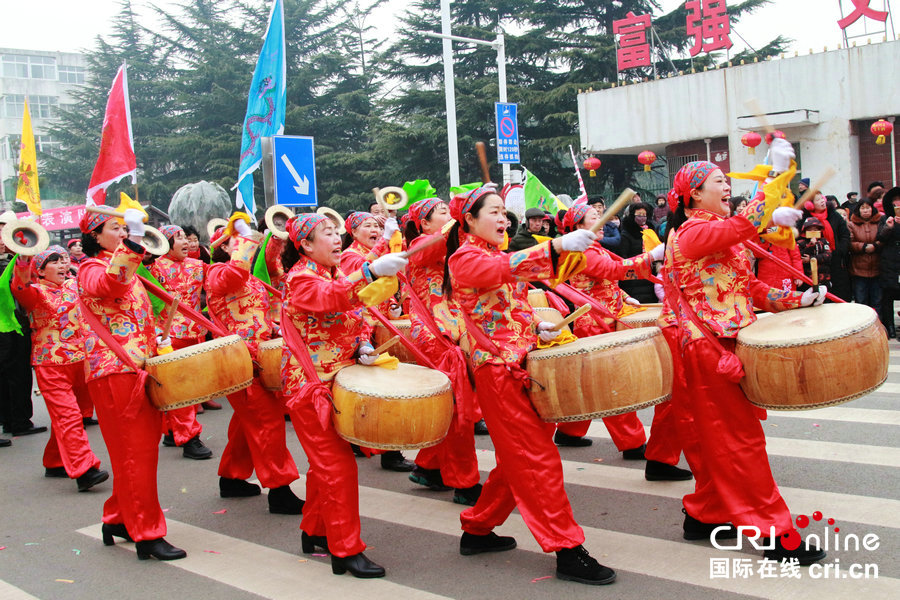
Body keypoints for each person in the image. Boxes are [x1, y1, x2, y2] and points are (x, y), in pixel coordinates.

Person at [446, 186, 617, 585]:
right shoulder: (464, 258)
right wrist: (556, 245)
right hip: (497, 373)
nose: (504, 219)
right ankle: (567, 549)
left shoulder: (494, 254)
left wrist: (532, 323)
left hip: (522, 363)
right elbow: (503, 272)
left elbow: (511, 300)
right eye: (494, 212)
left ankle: (477, 528)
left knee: (519, 458)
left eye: (506, 212)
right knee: (537, 459)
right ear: (469, 220)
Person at [661, 153, 826, 565]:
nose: (726, 185)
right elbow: (743, 223)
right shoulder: (692, 233)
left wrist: (794, 300)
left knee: (721, 439)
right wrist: (770, 183)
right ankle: (776, 533)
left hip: (726, 342)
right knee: (740, 442)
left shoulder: (719, 233)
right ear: (694, 194)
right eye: (718, 180)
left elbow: (746, 286)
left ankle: (705, 513)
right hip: (708, 347)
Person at [281, 212, 408, 578]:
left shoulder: (334, 273)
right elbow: (330, 299)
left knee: (327, 467)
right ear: (305, 245)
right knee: (338, 468)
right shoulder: (301, 279)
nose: (337, 239)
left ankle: (316, 530)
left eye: (337, 233)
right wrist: (368, 272)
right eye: (327, 234)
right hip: (310, 388)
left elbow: (356, 315)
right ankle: (345, 550)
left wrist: (363, 344)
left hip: (339, 380)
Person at [77, 208, 186, 561]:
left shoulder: (129, 267)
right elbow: (111, 283)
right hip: (115, 373)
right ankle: (147, 533)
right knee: (136, 453)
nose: (123, 233)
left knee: (136, 453)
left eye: (127, 229)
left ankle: (119, 518)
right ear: (95, 236)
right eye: (116, 228)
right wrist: (136, 242)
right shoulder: (90, 269)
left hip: (137, 370)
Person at [555, 205, 692, 481]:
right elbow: (613, 269)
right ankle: (631, 441)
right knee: (610, 383)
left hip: (607, 316)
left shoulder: (593, 247)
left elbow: (604, 278)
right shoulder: (582, 250)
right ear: (578, 225)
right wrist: (650, 256)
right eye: (594, 217)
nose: (601, 221)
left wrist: (622, 296)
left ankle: (569, 431)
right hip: (593, 322)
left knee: (587, 381)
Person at [206, 220, 303, 514]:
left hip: (258, 357)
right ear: (224, 247)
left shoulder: (248, 276)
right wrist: (244, 243)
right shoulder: (217, 272)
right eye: (239, 240)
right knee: (267, 421)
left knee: (248, 421)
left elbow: (270, 264)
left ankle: (232, 478)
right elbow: (233, 275)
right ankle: (280, 489)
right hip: (239, 359)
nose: (248, 244)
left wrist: (276, 234)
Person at [402, 197, 482, 505]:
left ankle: (429, 467)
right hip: (436, 335)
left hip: (453, 330)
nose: (450, 217)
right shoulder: (421, 245)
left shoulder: (450, 244)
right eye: (443, 212)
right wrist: (463, 209)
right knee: (458, 409)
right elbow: (441, 242)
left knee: (452, 407)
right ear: (423, 223)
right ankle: (465, 482)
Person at [9, 248, 107, 490]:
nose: (63, 265)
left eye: (64, 260)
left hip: (81, 361)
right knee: (69, 417)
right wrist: (23, 256)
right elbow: (19, 286)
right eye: (54, 262)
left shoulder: (75, 286)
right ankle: (84, 469)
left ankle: (54, 461)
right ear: (40, 271)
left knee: (67, 417)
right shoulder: (34, 292)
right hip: (50, 364)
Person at [340, 212, 411, 471]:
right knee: (378, 396)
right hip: (361, 332)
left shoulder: (373, 254)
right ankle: (386, 451)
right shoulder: (350, 256)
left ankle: (373, 445)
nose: (374, 229)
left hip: (375, 329)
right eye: (367, 226)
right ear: (354, 232)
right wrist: (384, 238)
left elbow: (382, 287)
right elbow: (361, 281)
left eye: (376, 225)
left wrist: (393, 305)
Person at [149, 225, 213, 460]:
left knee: (189, 388)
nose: (185, 241)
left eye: (186, 237)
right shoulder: (153, 270)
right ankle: (189, 437)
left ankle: (171, 430)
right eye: (178, 238)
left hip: (194, 334)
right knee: (180, 388)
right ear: (165, 242)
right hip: (168, 337)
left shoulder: (199, 266)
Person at [0, 210, 43, 439]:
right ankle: (16, 421)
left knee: (15, 374)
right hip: (8, 327)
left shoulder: (14, 262)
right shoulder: (13, 264)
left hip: (15, 324)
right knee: (13, 374)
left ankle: (14, 419)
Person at [799, 191, 851, 300]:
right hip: (813, 264)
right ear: (810, 204)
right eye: (817, 200)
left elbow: (845, 234)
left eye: (822, 198)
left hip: (835, 258)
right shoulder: (804, 218)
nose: (822, 201)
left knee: (838, 291)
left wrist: (840, 250)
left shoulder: (834, 215)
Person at [618, 202, 658, 303]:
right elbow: (623, 257)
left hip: (649, 273)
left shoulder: (650, 231)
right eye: (639, 215)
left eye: (644, 215)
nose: (642, 218)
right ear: (632, 215)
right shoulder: (626, 234)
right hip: (633, 276)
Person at [847, 198, 882, 310]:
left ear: (872, 209)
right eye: (863, 208)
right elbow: (849, 243)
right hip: (859, 270)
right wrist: (863, 247)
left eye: (868, 208)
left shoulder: (880, 222)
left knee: (877, 302)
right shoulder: (851, 224)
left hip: (877, 269)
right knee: (861, 302)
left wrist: (875, 246)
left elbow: (884, 238)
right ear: (859, 210)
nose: (865, 210)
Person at [877, 187, 900, 337]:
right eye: (895, 203)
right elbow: (880, 238)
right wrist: (889, 227)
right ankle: (889, 326)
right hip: (889, 262)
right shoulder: (885, 219)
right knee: (888, 295)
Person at [796, 218, 832, 289]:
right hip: (807, 278)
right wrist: (810, 246)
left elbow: (828, 256)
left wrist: (812, 258)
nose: (813, 232)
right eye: (810, 230)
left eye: (815, 230)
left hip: (823, 277)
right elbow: (800, 256)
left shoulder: (824, 241)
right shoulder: (800, 242)